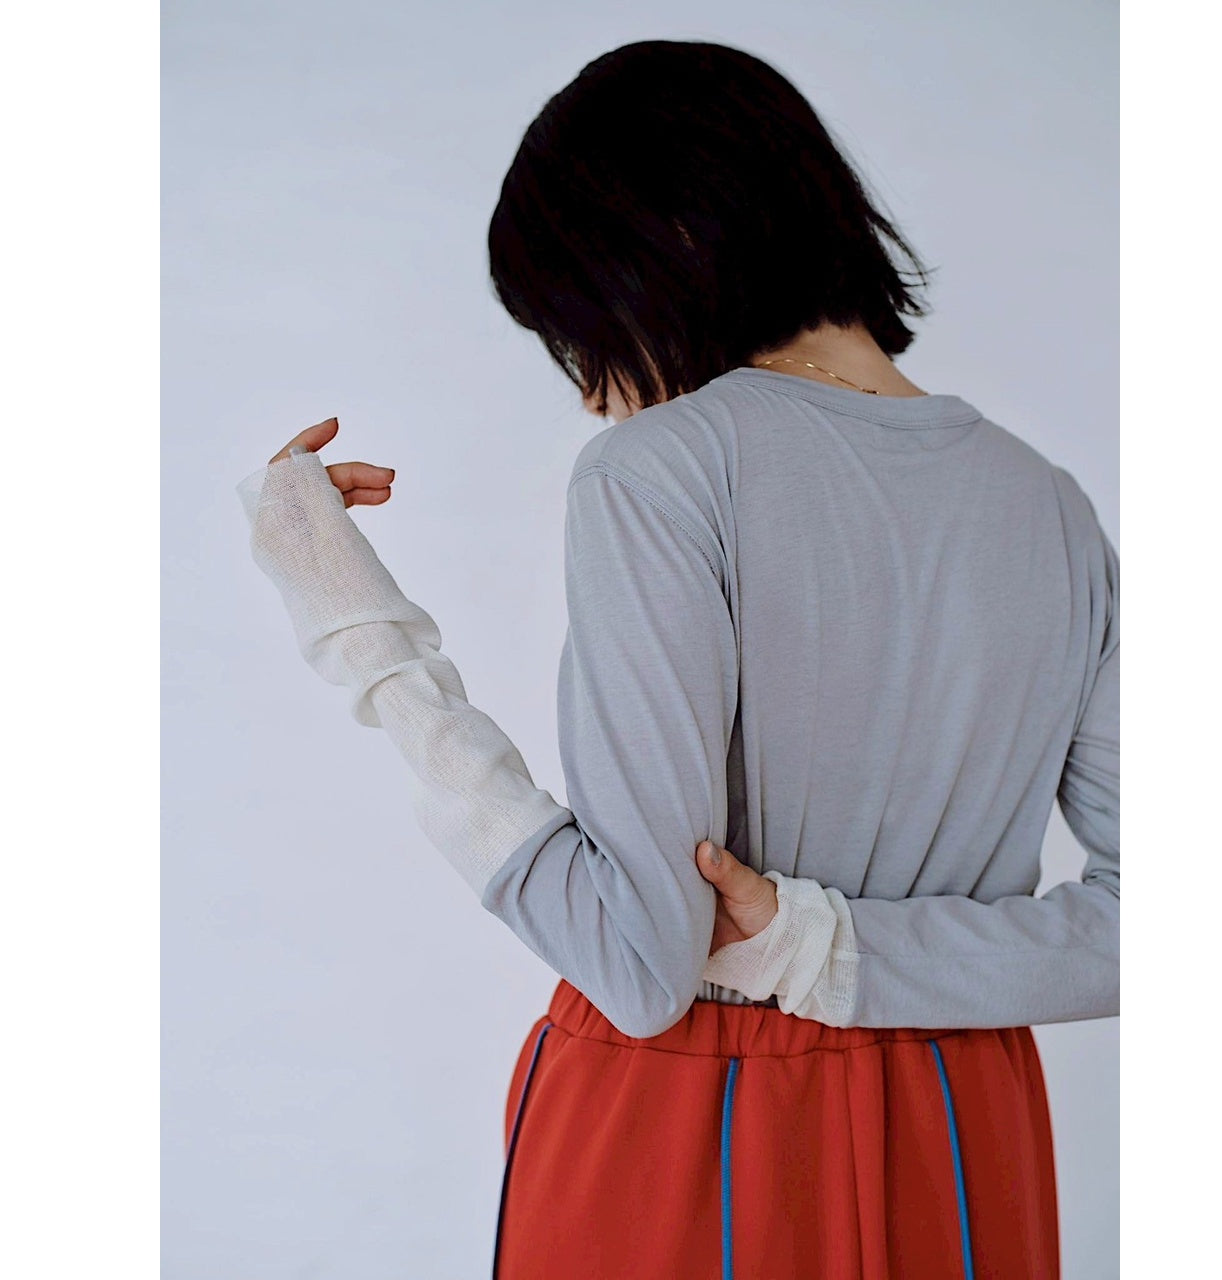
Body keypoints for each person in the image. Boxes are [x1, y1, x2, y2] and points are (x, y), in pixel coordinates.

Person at [236, 39, 1117, 1280]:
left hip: (694, 1128)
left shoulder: (662, 470)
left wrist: (353, 624)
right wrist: (835, 951)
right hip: (965, 1135)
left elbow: (640, 960)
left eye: (575, 332)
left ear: (659, 249)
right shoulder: (1052, 506)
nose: (593, 393)